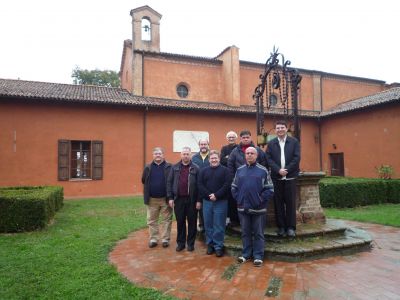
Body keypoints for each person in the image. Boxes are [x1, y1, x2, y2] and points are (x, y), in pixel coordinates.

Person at [231, 147, 274, 267]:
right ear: (245, 155)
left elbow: (270, 189)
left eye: (252, 153)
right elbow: (234, 187)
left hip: (258, 208)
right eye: (247, 153)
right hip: (242, 207)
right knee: (245, 232)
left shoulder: (263, 170)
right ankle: (246, 254)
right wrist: (239, 199)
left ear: (256, 156)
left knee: (258, 233)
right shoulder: (239, 170)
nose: (249, 155)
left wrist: (259, 200)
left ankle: (258, 256)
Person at [266, 120, 301, 238]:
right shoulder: (271, 143)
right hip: (276, 177)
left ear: (286, 129)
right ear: (275, 130)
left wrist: (286, 169)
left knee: (291, 203)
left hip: (290, 176)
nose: (280, 129)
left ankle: (291, 228)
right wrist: (278, 170)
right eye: (278, 128)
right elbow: (268, 158)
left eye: (282, 127)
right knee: (278, 203)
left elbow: (297, 158)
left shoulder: (294, 142)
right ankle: (281, 227)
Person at [198, 150, 231, 257]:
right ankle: (210, 244)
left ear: (219, 159)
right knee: (208, 224)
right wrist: (209, 195)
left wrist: (216, 195)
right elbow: (200, 184)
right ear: (209, 160)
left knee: (219, 225)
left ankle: (218, 246)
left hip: (221, 201)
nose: (214, 160)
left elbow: (227, 185)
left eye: (216, 158)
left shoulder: (226, 171)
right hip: (207, 202)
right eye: (212, 158)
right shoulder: (203, 171)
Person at [167, 146, 201, 252]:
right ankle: (181, 243)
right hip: (179, 199)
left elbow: (199, 185)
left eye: (187, 154)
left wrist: (199, 200)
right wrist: (170, 198)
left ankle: (190, 244)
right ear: (180, 155)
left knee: (192, 222)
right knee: (180, 222)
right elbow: (169, 182)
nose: (185, 156)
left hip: (192, 200)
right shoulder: (175, 167)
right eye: (184, 154)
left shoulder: (196, 168)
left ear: (191, 155)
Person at [141, 147, 173, 248]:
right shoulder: (148, 167)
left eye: (159, 153)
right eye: (156, 154)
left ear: (163, 155)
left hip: (165, 199)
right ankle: (153, 239)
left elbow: (172, 180)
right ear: (153, 155)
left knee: (166, 220)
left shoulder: (169, 166)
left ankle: (165, 239)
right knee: (152, 220)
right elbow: (143, 180)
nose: (158, 155)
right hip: (152, 199)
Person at [220, 131, 240, 227]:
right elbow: (222, 160)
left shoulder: (238, 148)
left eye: (232, 137)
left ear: (235, 138)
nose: (231, 139)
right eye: (229, 137)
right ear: (227, 138)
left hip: (237, 175)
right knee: (229, 198)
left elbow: (237, 160)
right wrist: (231, 159)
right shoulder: (224, 148)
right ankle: (229, 219)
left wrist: (228, 158)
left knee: (236, 198)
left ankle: (237, 219)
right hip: (227, 176)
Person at [191, 138, 210, 232]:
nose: (203, 146)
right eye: (201, 144)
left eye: (205, 144)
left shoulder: (212, 156)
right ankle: (201, 224)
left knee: (208, 206)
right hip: (196, 185)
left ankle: (208, 225)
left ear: (208, 145)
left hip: (209, 185)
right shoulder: (194, 157)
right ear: (199, 146)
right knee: (198, 205)